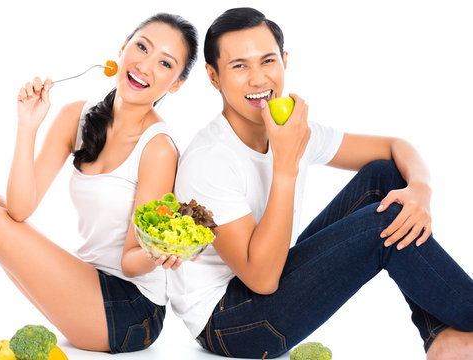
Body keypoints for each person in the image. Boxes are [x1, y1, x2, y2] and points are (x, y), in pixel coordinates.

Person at [166, 7, 473, 359]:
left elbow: (393, 148)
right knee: (384, 222)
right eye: (239, 66)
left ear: (284, 60)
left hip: (268, 282)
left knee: (384, 177)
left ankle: (443, 338)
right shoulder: (209, 159)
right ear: (214, 76)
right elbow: (261, 279)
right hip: (231, 325)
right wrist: (286, 164)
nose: (257, 79)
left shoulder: (290, 129)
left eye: (267, 61)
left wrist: (421, 188)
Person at [0, 13, 198, 354]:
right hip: (87, 285)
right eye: (142, 47)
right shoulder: (78, 116)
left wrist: (159, 253)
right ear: (123, 48)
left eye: (164, 63)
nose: (145, 66)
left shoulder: (158, 148)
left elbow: (132, 261)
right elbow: (19, 208)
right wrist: (28, 126)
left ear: (175, 83)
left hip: (130, 313)